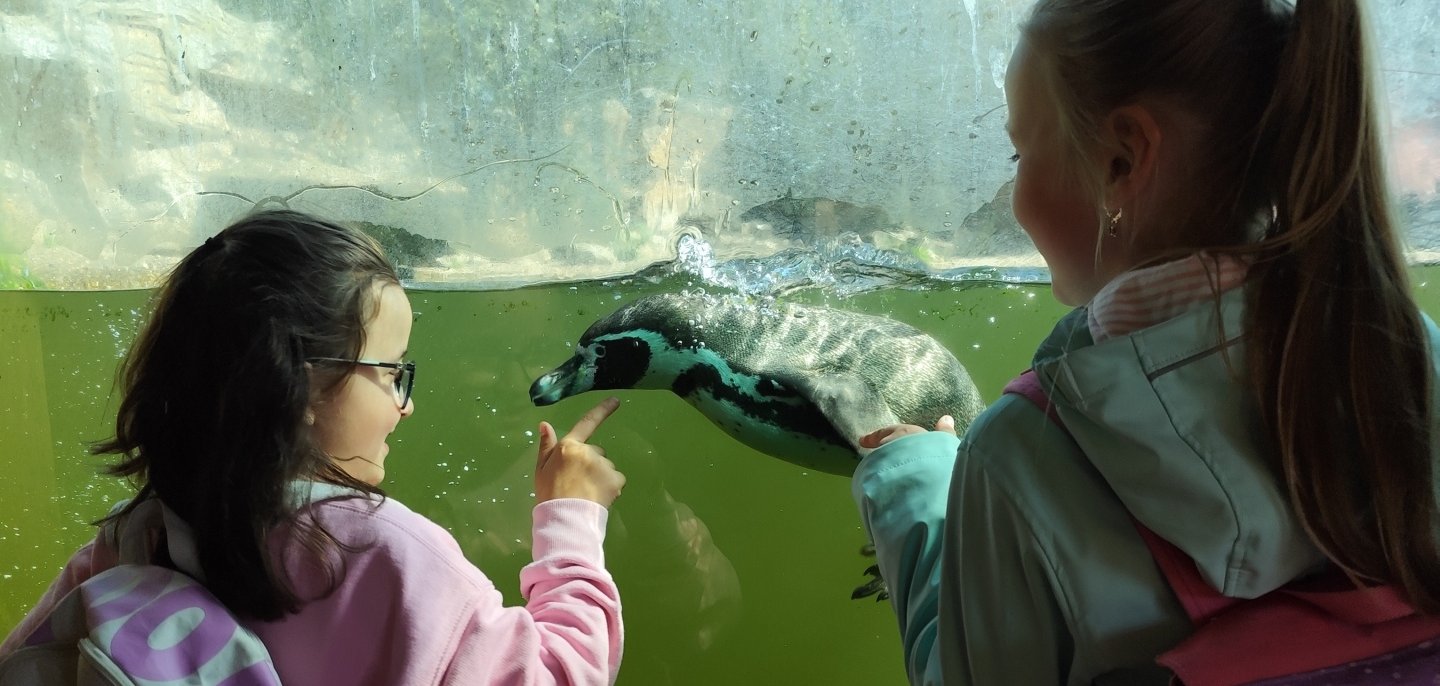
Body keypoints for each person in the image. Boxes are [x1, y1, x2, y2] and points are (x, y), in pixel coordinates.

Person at [850, 1, 1440, 684]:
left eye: (1020, 154)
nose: (1011, 191)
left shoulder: (1021, 455)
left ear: (1122, 159)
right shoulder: (1405, 357)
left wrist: (917, 489)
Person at [0, 209, 629, 685]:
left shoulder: (137, 534)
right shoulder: (388, 557)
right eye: (392, 373)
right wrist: (570, 519)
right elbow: (562, 675)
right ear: (300, 384)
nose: (405, 404)